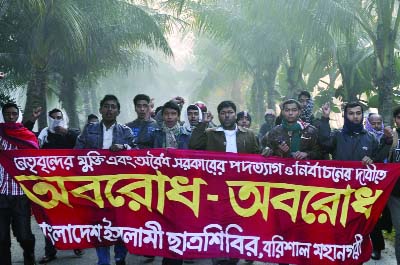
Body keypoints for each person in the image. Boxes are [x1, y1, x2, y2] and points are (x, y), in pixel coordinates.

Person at [189, 100, 259, 265]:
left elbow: (257, 157)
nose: (227, 116)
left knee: (237, 223)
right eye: (223, 113)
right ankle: (219, 258)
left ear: (235, 114)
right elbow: (193, 145)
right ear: (218, 115)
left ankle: (233, 256)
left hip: (241, 189)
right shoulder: (210, 133)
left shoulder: (248, 134)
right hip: (216, 188)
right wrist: (203, 124)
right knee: (217, 223)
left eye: (230, 112)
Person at [75, 95, 135, 265]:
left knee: (120, 222)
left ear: (118, 111)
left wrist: (124, 147)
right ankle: (103, 260)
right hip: (95, 186)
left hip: (120, 186)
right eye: (106, 106)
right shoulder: (89, 129)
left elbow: (137, 155)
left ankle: (119, 256)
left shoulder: (126, 131)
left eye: (113, 107)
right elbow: (77, 153)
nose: (110, 110)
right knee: (99, 224)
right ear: (100, 109)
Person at [37, 108, 82, 264]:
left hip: (70, 183)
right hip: (50, 184)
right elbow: (27, 141)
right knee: (49, 218)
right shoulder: (44, 135)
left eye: (59, 117)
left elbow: (81, 143)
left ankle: (77, 243)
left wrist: (66, 131)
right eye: (53, 118)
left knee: (73, 215)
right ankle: (50, 251)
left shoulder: (72, 133)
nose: (56, 120)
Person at [0, 102, 39, 265]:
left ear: (18, 115)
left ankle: (29, 257)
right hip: (1, 194)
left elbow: (37, 162)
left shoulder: (28, 136)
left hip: (20, 194)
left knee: (24, 236)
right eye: (7, 114)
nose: (11, 116)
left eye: (14, 114)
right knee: (1, 239)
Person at [153, 100, 191, 265]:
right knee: (163, 223)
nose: (169, 117)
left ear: (178, 116)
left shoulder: (186, 134)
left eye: (173, 114)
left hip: (182, 185)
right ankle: (167, 255)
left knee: (179, 222)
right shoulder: (155, 134)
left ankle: (177, 256)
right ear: (162, 116)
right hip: (160, 184)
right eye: (166, 114)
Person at [319, 102, 391, 164]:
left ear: (362, 115)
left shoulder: (371, 137)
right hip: (340, 178)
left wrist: (387, 140)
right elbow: (324, 146)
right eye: (351, 113)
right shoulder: (337, 135)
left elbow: (378, 160)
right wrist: (325, 119)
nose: (355, 116)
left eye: (358, 113)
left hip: (363, 179)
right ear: (345, 116)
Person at [365, 113, 392, 260]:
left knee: (387, 216)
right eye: (373, 122)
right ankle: (377, 248)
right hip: (371, 182)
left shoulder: (389, 137)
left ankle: (386, 228)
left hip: (389, 182)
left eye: (379, 122)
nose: (377, 125)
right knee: (372, 216)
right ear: (368, 123)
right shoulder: (365, 137)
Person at [387, 106, 400, 265]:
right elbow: (382, 159)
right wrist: (386, 141)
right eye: (399, 117)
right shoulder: (392, 137)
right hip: (396, 192)